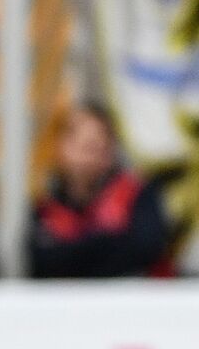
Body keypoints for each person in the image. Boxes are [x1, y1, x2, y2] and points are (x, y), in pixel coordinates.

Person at [29, 102, 170, 278]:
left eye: (98, 148)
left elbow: (146, 247)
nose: (89, 159)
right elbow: (43, 262)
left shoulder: (136, 194)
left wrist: (75, 252)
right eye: (83, 147)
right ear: (60, 147)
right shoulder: (45, 210)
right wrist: (111, 241)